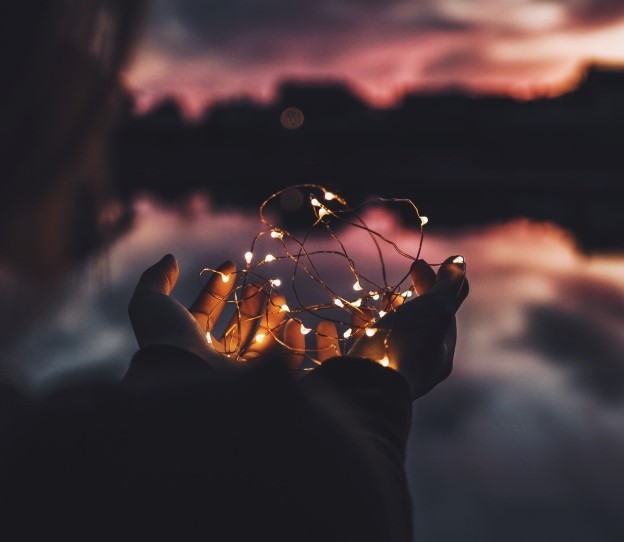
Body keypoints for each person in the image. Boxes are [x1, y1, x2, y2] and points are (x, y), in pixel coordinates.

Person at [0, 2, 469, 540]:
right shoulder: (47, 458)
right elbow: (332, 514)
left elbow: (117, 491)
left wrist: (178, 371)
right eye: (93, 124)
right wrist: (372, 402)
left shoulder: (42, 455)